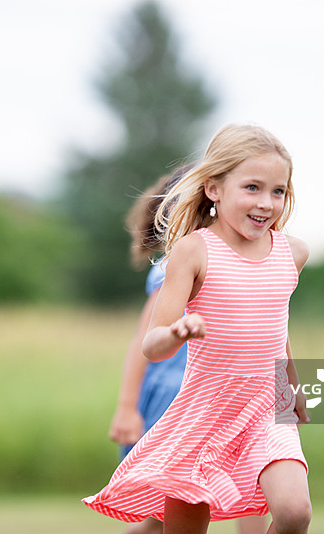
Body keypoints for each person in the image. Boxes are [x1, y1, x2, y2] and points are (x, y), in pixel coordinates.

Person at [84, 124, 311, 534]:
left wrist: (292, 391)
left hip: (265, 409)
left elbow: (278, 330)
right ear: (214, 189)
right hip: (205, 412)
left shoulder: (292, 254)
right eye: (253, 188)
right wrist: (177, 333)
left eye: (278, 191)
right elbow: (151, 345)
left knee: (294, 513)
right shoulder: (193, 251)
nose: (266, 203)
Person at [109, 165, 268, 534]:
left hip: (230, 399)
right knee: (159, 520)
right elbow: (142, 341)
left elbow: (265, 339)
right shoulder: (181, 265)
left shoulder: (255, 264)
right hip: (177, 399)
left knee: (253, 482)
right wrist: (126, 408)